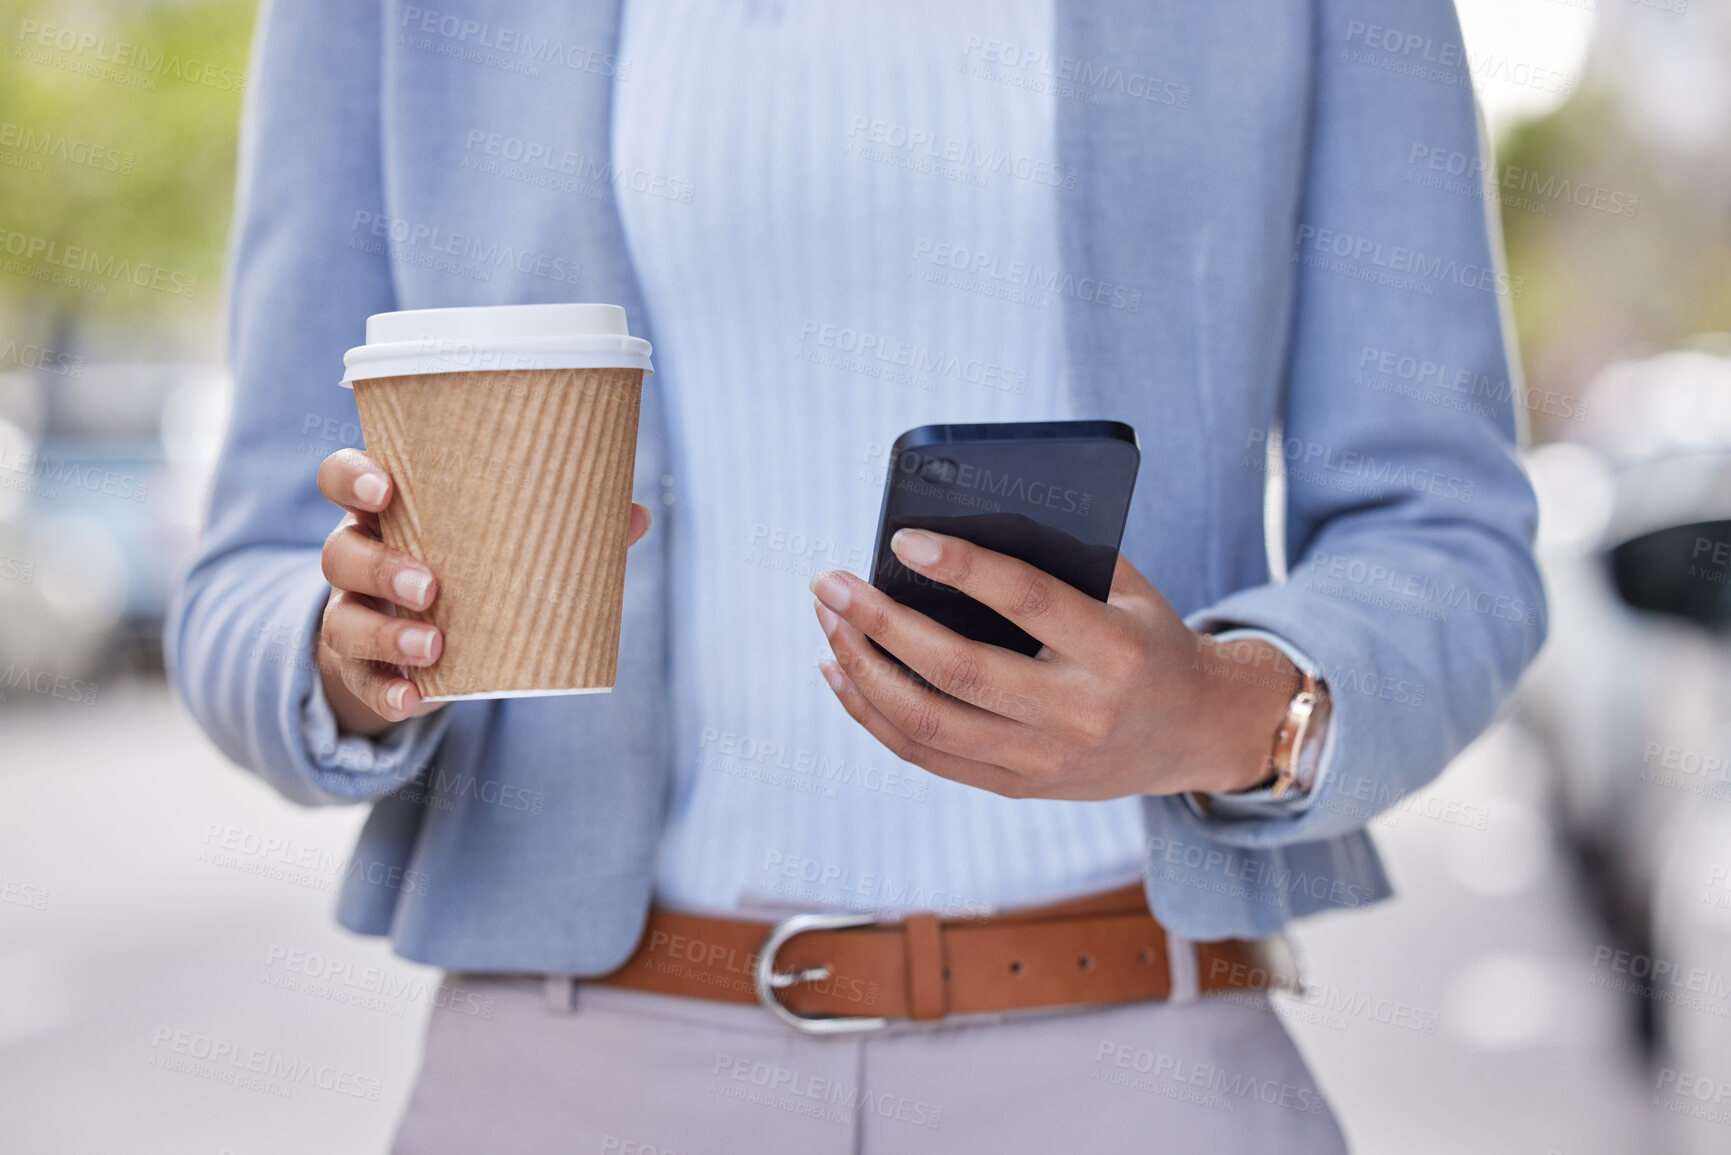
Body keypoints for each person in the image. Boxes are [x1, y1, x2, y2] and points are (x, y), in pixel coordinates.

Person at [168, 1, 1547, 1150]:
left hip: (1140, 1069)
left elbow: (1449, 528)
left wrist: (1223, 710)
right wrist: (350, 653)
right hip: (578, 1078)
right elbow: (249, 573)